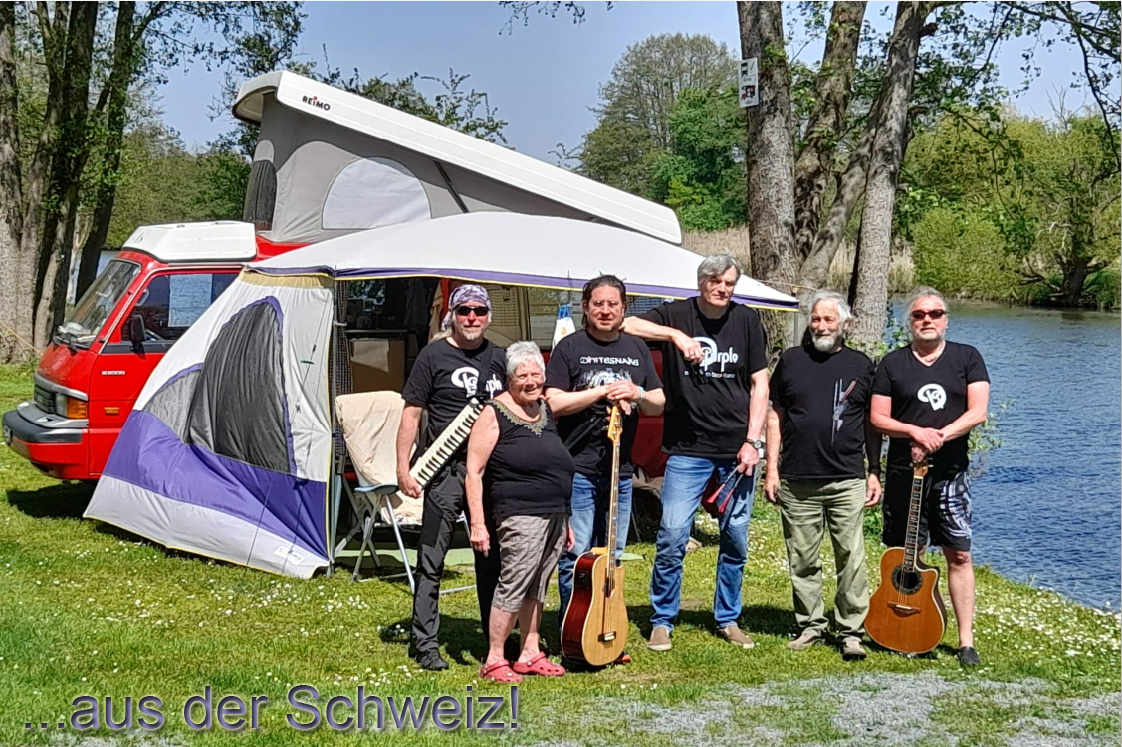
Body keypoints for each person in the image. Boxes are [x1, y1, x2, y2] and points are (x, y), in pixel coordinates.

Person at [620, 253, 769, 651]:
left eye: (729, 283)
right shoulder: (676, 314)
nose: (722, 289)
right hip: (687, 450)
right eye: (715, 282)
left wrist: (753, 442)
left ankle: (728, 618)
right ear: (701, 282)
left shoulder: (746, 320)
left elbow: (760, 384)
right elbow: (626, 323)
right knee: (672, 535)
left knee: (735, 538)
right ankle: (662, 620)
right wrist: (675, 336)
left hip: (736, 451)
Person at [870, 286, 990, 667]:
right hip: (904, 474)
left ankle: (966, 641)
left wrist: (937, 436)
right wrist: (913, 432)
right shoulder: (892, 364)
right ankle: (909, 626)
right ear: (911, 321)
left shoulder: (967, 358)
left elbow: (977, 412)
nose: (927, 320)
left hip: (950, 475)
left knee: (959, 553)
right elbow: (877, 418)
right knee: (910, 556)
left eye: (935, 314)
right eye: (919, 314)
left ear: (946, 320)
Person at [764, 291, 883, 661]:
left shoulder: (861, 365)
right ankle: (811, 626)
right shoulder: (791, 361)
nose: (821, 326)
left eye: (829, 319)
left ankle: (851, 631)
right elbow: (775, 416)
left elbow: (871, 425)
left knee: (852, 558)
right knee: (802, 558)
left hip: (847, 478)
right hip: (797, 478)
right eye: (816, 319)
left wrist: (874, 471)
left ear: (844, 324)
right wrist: (771, 469)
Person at [544, 275, 665, 631]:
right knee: (576, 554)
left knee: (612, 554)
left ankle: (603, 624)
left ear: (624, 308)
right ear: (586, 307)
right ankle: (573, 628)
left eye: (613, 304)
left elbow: (658, 402)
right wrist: (601, 393)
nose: (605, 310)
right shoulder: (570, 347)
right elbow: (553, 402)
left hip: (620, 471)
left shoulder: (636, 348)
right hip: (578, 468)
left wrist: (636, 392)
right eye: (598, 304)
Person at [396, 284, 507, 671]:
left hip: (491, 472)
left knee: (491, 558)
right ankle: (425, 642)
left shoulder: (501, 357)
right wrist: (403, 467)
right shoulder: (433, 356)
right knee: (432, 559)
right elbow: (411, 413)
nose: (472, 317)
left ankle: (494, 641)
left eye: (479, 311)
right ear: (453, 316)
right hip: (445, 470)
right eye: (464, 311)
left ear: (488, 316)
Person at [465, 342, 576, 683]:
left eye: (536, 374)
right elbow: (474, 472)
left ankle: (530, 652)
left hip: (555, 512)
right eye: (522, 376)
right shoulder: (494, 412)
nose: (531, 381)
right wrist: (478, 524)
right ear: (509, 379)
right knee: (514, 582)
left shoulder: (545, 409)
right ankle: (495, 658)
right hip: (519, 512)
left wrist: (567, 518)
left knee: (538, 584)